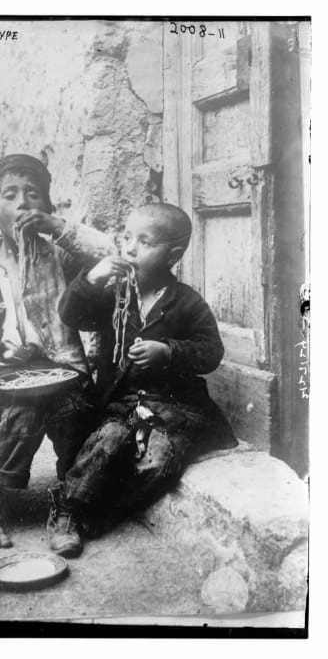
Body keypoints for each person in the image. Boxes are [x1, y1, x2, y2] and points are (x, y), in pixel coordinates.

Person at [0, 153, 115, 555]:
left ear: (47, 207)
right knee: (24, 409)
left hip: (62, 373)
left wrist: (59, 229)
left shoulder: (60, 257)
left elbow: (108, 252)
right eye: (10, 195)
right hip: (2, 381)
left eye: (33, 195)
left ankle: (67, 504)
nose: (23, 203)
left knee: (73, 413)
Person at [56, 202, 237, 555]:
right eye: (127, 237)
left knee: (159, 462)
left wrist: (168, 351)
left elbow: (210, 351)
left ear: (174, 254)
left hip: (175, 409)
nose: (131, 248)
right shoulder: (114, 294)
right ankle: (67, 511)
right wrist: (92, 278)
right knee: (104, 445)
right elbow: (71, 314)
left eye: (145, 241)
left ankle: (107, 513)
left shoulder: (186, 302)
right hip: (123, 403)